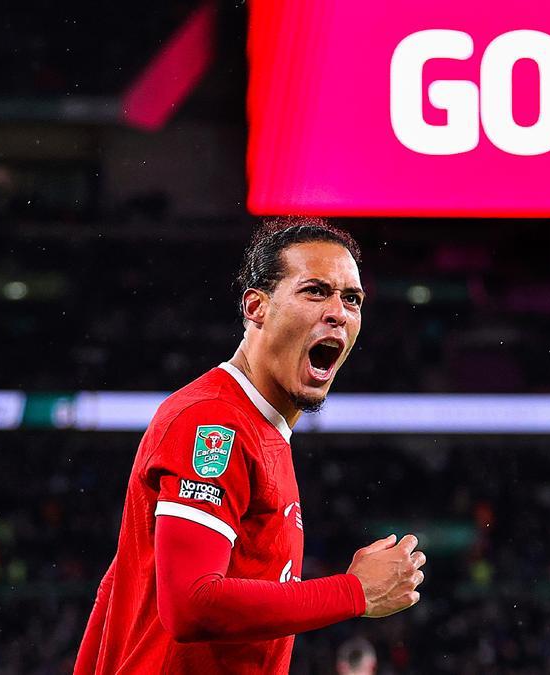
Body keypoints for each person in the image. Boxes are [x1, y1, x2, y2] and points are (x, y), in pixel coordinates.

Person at [73, 217, 426, 674]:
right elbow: (191, 603)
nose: (339, 310)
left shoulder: (263, 428)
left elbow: (117, 587)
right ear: (256, 307)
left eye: (352, 298)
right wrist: (353, 592)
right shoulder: (213, 422)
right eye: (315, 291)